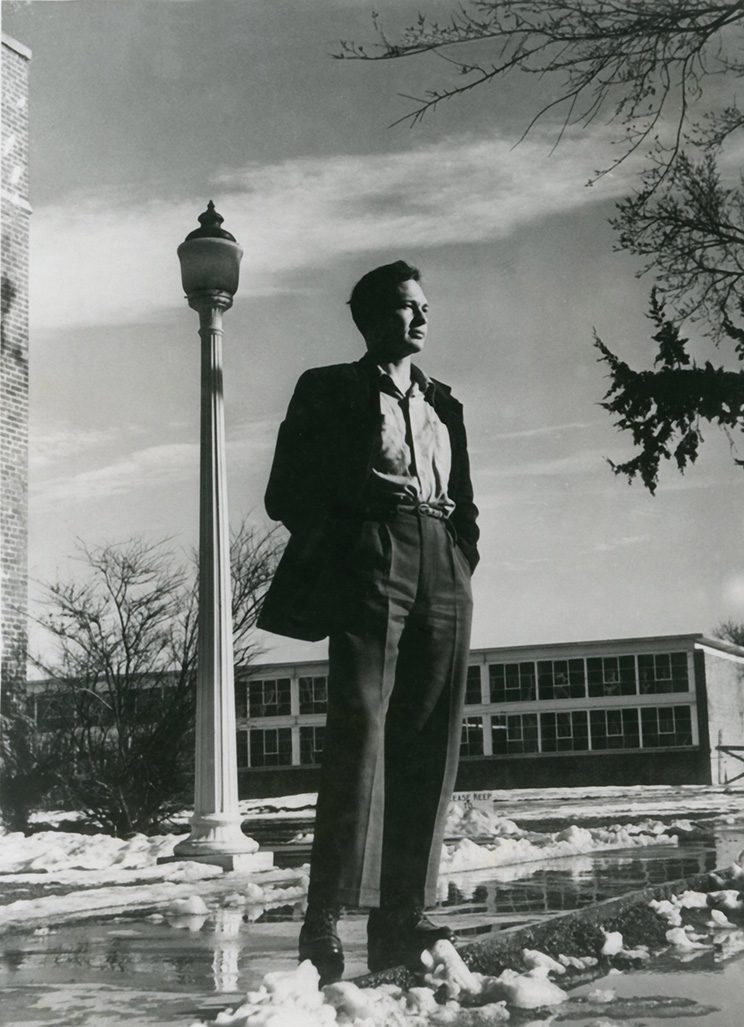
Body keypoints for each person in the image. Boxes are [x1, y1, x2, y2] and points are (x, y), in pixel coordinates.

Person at [258, 260, 479, 982]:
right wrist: (358, 532)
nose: (424, 318)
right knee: (360, 728)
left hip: (441, 555)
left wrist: (458, 552)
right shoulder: (330, 388)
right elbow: (286, 490)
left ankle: (403, 913)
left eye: (426, 305)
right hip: (372, 552)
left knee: (430, 733)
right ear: (376, 317)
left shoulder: (445, 402)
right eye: (410, 307)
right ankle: (325, 914)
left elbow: (467, 501)